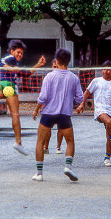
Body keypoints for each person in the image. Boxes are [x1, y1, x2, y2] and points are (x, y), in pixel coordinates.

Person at [32, 48, 84, 182]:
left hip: (48, 113)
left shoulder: (49, 76)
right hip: (64, 114)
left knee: (40, 141)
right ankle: (67, 166)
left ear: (56, 61)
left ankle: (39, 173)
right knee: (70, 141)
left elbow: (43, 97)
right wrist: (70, 101)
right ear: (68, 61)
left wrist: (36, 109)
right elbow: (79, 98)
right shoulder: (74, 78)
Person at [0, 39, 46, 155]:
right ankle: (18, 143)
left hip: (0, 85)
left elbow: (27, 73)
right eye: (18, 52)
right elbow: (3, 64)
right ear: (12, 51)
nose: (20, 55)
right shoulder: (9, 58)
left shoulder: (15, 63)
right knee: (15, 114)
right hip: (8, 85)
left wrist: (38, 64)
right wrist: (12, 68)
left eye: (22, 53)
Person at [76, 60, 111, 167]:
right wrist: (81, 104)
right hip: (100, 110)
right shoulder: (96, 81)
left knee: (109, 135)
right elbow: (87, 92)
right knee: (107, 121)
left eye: (108, 69)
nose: (106, 71)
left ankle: (107, 158)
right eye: (104, 68)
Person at [43, 59, 64, 154]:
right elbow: (44, 93)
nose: (55, 69)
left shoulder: (64, 77)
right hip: (50, 105)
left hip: (61, 105)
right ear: (51, 67)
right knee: (47, 128)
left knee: (61, 127)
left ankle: (58, 147)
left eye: (57, 67)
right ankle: (45, 147)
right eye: (54, 67)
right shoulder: (48, 77)